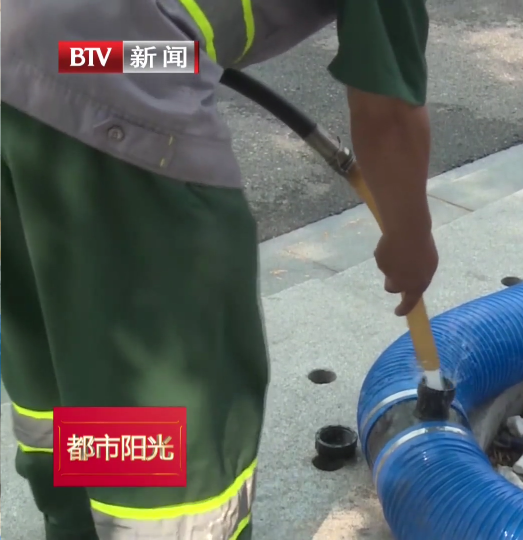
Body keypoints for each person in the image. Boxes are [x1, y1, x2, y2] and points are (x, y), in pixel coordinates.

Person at [0, 0, 438, 537]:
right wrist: (410, 238)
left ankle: (72, 520)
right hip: (96, 61)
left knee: (65, 331)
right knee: (169, 384)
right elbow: (387, 114)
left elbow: (93, 49)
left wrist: (161, 52)